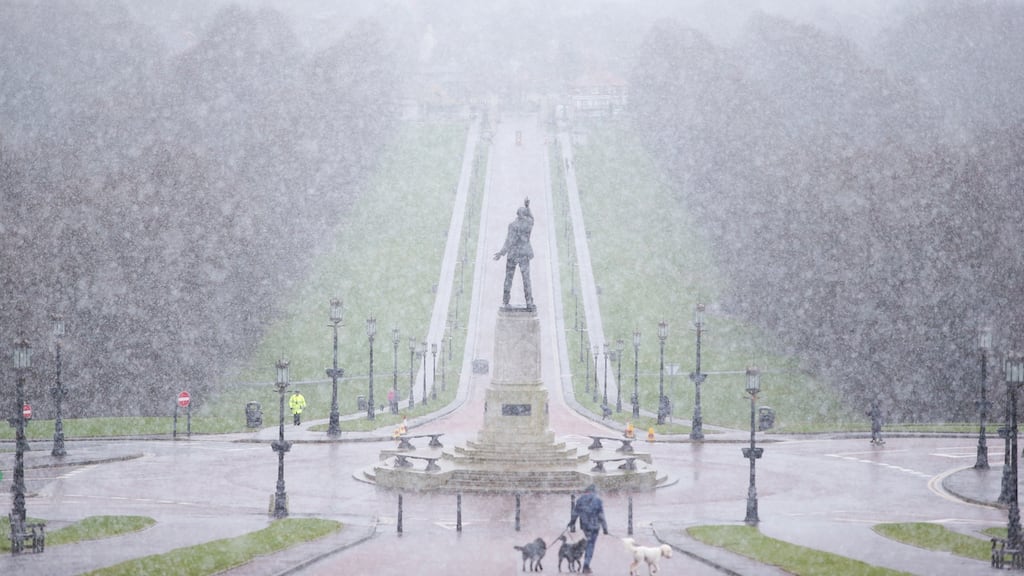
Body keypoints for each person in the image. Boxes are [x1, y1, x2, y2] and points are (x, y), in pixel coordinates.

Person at [494, 198, 534, 309]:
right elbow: (532, 218)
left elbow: (509, 241)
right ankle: (529, 301)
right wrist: (528, 207)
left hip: (513, 255)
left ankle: (505, 300)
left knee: (508, 278)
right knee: (526, 279)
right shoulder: (528, 224)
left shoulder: (512, 225)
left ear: (517, 215)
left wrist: (501, 253)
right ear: (524, 215)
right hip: (524, 254)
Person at [568, 484, 608, 573]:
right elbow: (601, 515)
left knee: (588, 543)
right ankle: (586, 564)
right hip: (595, 527)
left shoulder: (580, 500)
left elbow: (575, 513)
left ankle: (584, 560)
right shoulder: (598, 500)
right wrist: (605, 528)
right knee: (591, 545)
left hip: (585, 527)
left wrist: (571, 523)